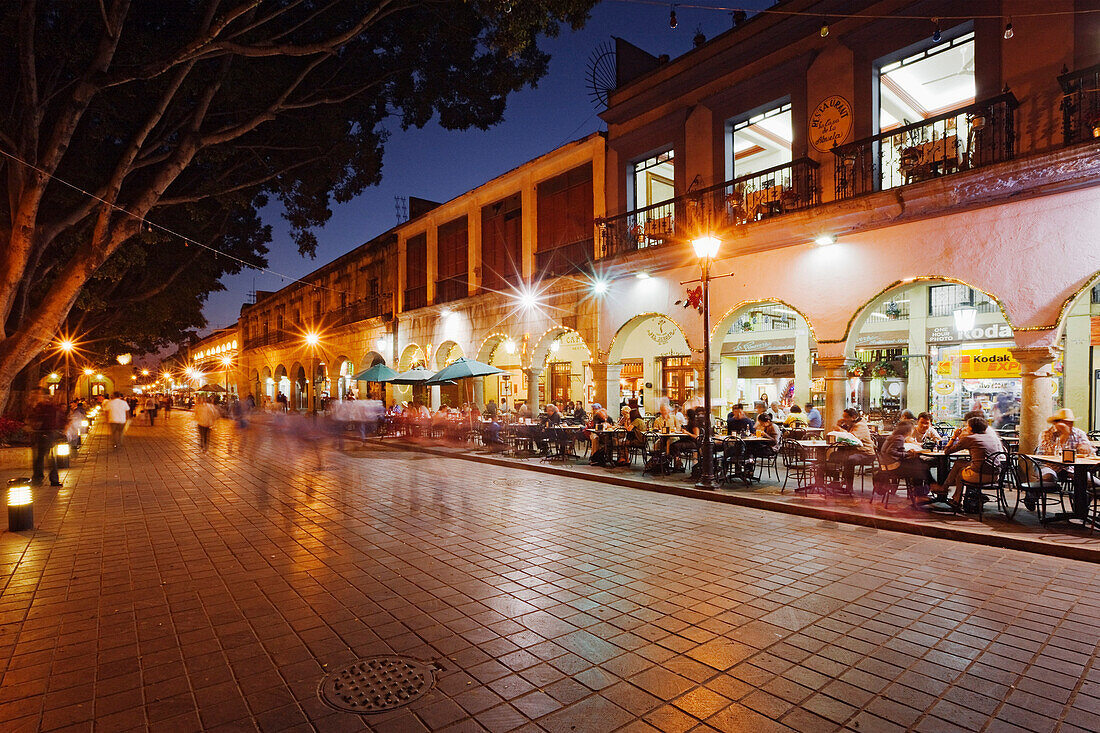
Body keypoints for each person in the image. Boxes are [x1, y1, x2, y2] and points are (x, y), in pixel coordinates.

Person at [939, 416, 1003, 510]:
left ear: (971, 428)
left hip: (979, 475)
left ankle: (952, 496)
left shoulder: (970, 438)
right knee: (959, 463)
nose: (966, 427)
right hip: (996, 476)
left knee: (960, 472)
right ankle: (948, 492)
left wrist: (954, 436)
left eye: (967, 426)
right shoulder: (992, 437)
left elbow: (947, 451)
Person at [875, 420, 932, 498]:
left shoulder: (893, 436)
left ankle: (921, 491)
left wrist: (906, 453)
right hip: (893, 467)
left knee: (918, 464)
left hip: (886, 466)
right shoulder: (900, 438)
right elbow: (891, 451)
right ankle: (922, 492)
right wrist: (906, 454)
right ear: (908, 431)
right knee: (920, 466)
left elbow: (892, 450)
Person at [827, 407, 875, 493]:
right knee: (834, 455)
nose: (844, 419)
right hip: (855, 451)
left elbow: (852, 439)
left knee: (850, 460)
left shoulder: (861, 426)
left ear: (853, 417)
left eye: (846, 417)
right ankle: (836, 481)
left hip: (866, 453)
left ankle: (849, 487)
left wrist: (839, 429)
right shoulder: (852, 424)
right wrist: (840, 425)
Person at [28, 390, 64, 486]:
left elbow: (59, 419)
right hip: (39, 433)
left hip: (48, 433)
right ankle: (38, 478)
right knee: (39, 457)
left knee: (49, 457)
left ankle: (50, 479)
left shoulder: (50, 408)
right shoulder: (39, 407)